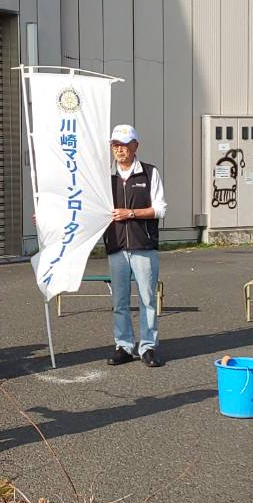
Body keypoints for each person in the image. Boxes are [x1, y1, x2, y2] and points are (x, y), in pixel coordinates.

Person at [104, 124, 166, 368]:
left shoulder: (149, 173)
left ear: (135, 146)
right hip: (116, 246)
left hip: (144, 246)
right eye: (115, 145)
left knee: (147, 299)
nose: (120, 150)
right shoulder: (104, 176)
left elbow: (160, 208)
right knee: (119, 301)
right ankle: (124, 345)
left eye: (124, 144)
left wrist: (130, 213)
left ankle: (148, 346)